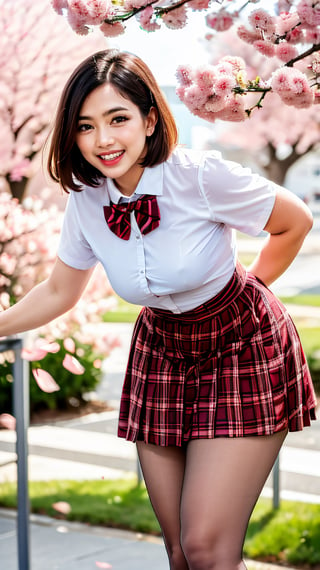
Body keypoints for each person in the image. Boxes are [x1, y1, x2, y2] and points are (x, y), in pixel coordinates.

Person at [0, 48, 317, 570]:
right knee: (178, 554)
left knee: (207, 550)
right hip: (161, 352)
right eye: (85, 126)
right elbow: (60, 290)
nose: (103, 140)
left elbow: (294, 222)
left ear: (150, 119)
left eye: (118, 119)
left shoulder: (198, 176)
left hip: (239, 342)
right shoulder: (86, 200)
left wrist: (255, 284)